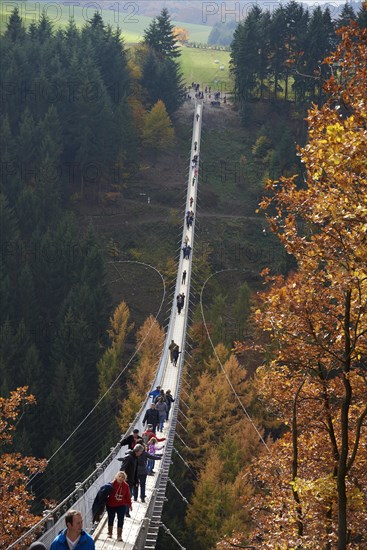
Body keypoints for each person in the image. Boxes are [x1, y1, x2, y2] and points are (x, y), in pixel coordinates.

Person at [118, 444, 144, 517]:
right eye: (141, 452)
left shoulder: (135, 458)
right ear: (138, 451)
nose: (141, 453)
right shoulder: (129, 457)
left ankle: (125, 511)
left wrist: (136, 480)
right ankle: (125, 512)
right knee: (127, 496)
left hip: (131, 481)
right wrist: (123, 480)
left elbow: (135, 471)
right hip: (126, 481)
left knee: (129, 496)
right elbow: (122, 469)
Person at [106, 471, 131, 541]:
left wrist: (129, 504)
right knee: (111, 518)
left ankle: (119, 536)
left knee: (121, 519)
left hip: (121, 505)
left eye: (122, 477)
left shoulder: (126, 486)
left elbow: (127, 496)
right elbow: (105, 494)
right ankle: (110, 533)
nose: (120, 478)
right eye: (119, 476)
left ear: (124, 479)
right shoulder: (111, 485)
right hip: (111, 504)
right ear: (116, 477)